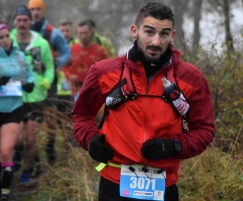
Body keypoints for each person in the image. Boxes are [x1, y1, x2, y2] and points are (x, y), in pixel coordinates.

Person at [71, 2, 215, 201]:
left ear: (172, 35)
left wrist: (174, 146)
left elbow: (204, 129)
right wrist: (90, 139)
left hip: (163, 184)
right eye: (149, 32)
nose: (156, 41)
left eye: (164, 34)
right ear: (134, 31)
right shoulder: (103, 71)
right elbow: (81, 114)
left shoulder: (191, 77)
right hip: (114, 181)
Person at [0, 14, 35, 201]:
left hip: (14, 108)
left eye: (7, 36)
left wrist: (29, 83)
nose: (5, 40)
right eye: (1, 37)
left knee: (6, 152)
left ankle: (5, 194)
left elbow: (29, 76)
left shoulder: (20, 56)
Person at [10, 5, 54, 183]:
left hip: (36, 96)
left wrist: (47, 80)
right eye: (18, 20)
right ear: (14, 22)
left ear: (30, 21)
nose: (22, 23)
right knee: (17, 138)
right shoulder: (7, 39)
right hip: (13, 96)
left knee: (31, 138)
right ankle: (17, 153)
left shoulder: (41, 43)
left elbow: (50, 67)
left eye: (25, 20)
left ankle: (27, 170)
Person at [28, 0, 71, 165]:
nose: (36, 12)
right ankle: (35, 160)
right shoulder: (24, 31)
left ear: (43, 11)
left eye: (38, 9)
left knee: (51, 121)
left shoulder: (52, 33)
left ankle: (51, 153)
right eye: (33, 9)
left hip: (50, 83)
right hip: (31, 85)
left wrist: (57, 63)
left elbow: (66, 51)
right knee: (32, 124)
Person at [64, 20, 108, 97]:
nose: (83, 36)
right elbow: (64, 66)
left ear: (91, 32)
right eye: (81, 33)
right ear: (77, 34)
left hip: (95, 91)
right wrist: (69, 76)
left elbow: (107, 69)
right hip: (76, 90)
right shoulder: (71, 50)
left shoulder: (100, 50)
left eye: (85, 33)